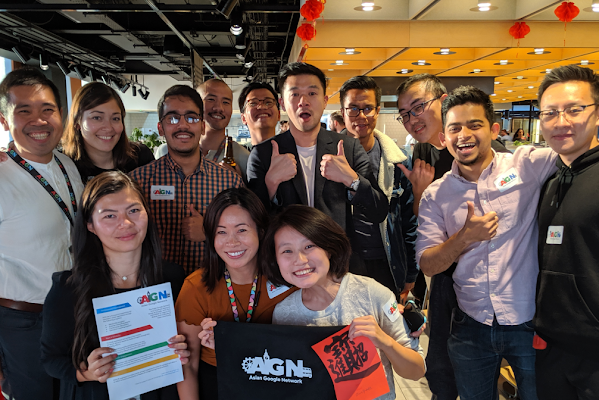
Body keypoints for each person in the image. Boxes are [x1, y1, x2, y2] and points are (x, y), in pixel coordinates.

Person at [416, 85, 557, 400]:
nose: (464, 134)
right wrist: (464, 237)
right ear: (443, 139)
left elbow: (577, 152)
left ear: (494, 129)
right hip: (471, 324)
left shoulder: (526, 165)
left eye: (474, 124)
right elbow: (427, 262)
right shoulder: (436, 195)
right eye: (454, 128)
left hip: (529, 322)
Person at [396, 73, 510, 400]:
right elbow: (427, 229)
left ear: (443, 101)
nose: (412, 119)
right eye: (405, 113)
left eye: (419, 107)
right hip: (447, 279)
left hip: (492, 284)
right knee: (443, 365)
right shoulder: (423, 154)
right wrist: (419, 195)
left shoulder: (485, 151)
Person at [41, 171, 189, 400]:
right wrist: (86, 373)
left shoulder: (172, 277)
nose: (126, 223)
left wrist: (182, 346)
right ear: (90, 225)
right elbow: (51, 360)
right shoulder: (67, 289)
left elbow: (182, 344)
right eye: (110, 216)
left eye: (134, 210)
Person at [263, 205, 426, 400]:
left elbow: (416, 371)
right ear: (276, 260)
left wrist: (384, 341)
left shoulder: (372, 293)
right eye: (287, 251)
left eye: (309, 246)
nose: (299, 259)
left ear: (329, 249)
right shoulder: (283, 312)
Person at [246, 62, 388, 274]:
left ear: (324, 101)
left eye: (312, 93)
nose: (303, 101)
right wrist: (270, 185)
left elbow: (379, 211)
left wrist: (352, 181)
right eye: (294, 95)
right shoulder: (264, 154)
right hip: (287, 271)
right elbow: (251, 223)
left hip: (337, 267)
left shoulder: (348, 148)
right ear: (282, 103)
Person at [0, 67, 84, 400]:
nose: (39, 120)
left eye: (47, 109)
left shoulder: (67, 165)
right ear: (6, 121)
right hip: (23, 322)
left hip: (72, 314)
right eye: (25, 111)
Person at [175, 187, 296, 400]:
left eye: (241, 230)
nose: (232, 242)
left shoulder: (288, 280)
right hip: (217, 383)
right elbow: (188, 366)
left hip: (278, 382)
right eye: (221, 232)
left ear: (260, 231)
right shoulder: (195, 287)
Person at [534, 65, 599, 399]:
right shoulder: (549, 180)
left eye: (575, 110)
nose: (561, 122)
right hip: (550, 346)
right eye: (550, 113)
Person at [129, 85, 243, 275]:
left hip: (211, 286)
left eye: (191, 118)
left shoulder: (229, 182)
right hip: (156, 289)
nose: (183, 125)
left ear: (202, 126)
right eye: (173, 118)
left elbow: (246, 236)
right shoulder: (138, 182)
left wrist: (209, 232)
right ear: (160, 128)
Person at [339, 76, 418, 302]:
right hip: (343, 264)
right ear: (342, 112)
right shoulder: (328, 158)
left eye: (368, 108)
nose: (361, 116)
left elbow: (409, 220)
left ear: (378, 110)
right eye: (353, 108)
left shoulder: (398, 161)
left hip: (388, 262)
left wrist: (411, 271)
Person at [62, 81, 155, 184]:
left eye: (115, 118)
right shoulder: (64, 166)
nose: (108, 127)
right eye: (97, 118)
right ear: (77, 122)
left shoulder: (141, 157)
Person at [197, 79, 250, 182]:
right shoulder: (169, 152)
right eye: (211, 99)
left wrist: (238, 185)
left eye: (225, 102)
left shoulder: (244, 159)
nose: (219, 108)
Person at [238, 81, 280, 151]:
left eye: (268, 102)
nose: (262, 107)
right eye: (253, 103)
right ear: (243, 118)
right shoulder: (237, 156)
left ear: (279, 115)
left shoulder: (294, 152)